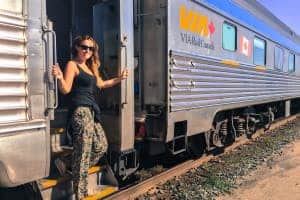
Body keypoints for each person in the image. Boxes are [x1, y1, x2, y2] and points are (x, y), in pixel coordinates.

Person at [52, 35, 128, 199]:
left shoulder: (90, 67)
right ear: (77, 47)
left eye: (91, 48)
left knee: (101, 145)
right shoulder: (73, 64)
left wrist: (119, 79)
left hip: (92, 112)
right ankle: (81, 194)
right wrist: (59, 78)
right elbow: (65, 89)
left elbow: (102, 84)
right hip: (80, 112)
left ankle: (66, 162)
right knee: (83, 153)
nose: (87, 50)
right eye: (84, 47)